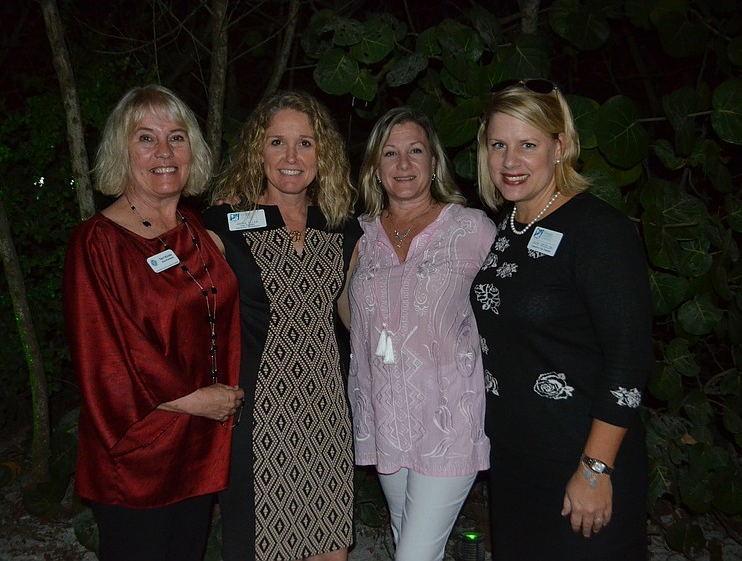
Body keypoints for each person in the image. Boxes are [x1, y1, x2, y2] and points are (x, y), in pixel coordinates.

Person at [470, 79, 653, 560]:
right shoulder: (507, 228)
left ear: (561, 146)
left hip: (581, 460)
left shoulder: (598, 230)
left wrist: (595, 470)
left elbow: (629, 361)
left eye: (528, 144)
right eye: (499, 145)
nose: (511, 162)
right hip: (514, 463)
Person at [62, 85, 244, 561]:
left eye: (177, 137)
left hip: (200, 446)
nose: (164, 152)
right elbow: (106, 358)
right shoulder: (97, 243)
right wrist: (196, 399)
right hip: (137, 455)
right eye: (146, 138)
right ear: (122, 151)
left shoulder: (196, 229)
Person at [203, 90, 360, 561]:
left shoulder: (343, 227)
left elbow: (354, 316)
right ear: (258, 150)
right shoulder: (223, 224)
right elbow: (193, 319)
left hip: (327, 412)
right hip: (257, 413)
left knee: (329, 549)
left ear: (323, 153)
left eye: (305, 143)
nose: (291, 157)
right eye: (277, 142)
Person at [347, 106, 496, 561]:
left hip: (450, 419)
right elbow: (347, 313)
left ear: (435, 162)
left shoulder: (471, 229)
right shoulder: (360, 236)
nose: (404, 164)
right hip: (386, 416)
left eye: (416, 151)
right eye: (390, 154)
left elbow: (509, 310)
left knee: (413, 555)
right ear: (374, 167)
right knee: (405, 536)